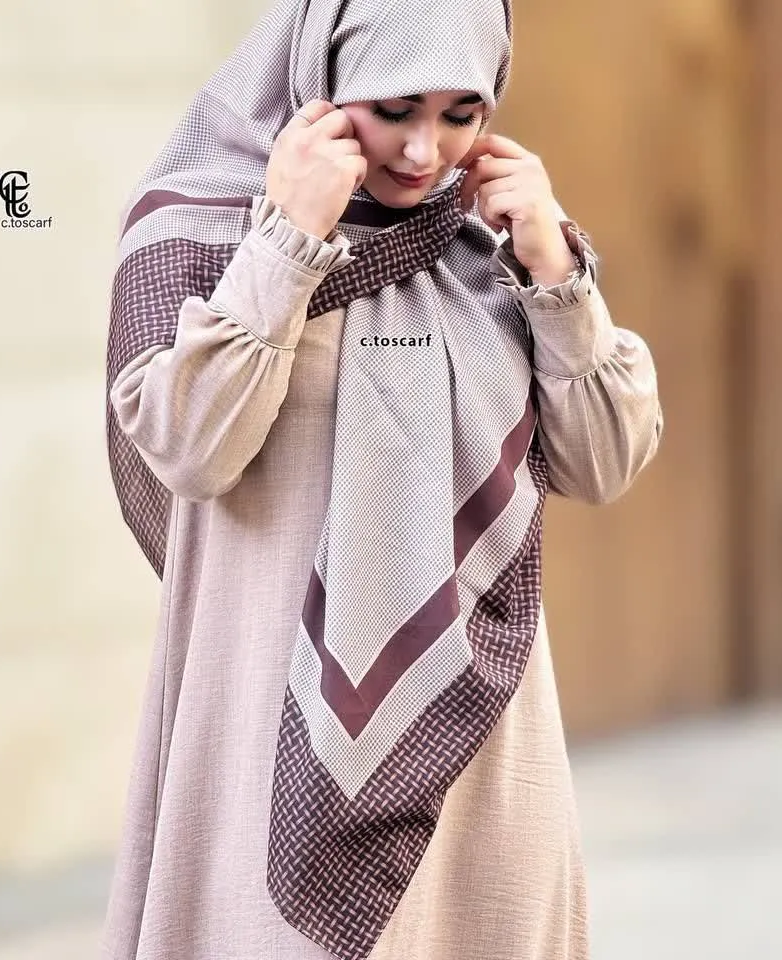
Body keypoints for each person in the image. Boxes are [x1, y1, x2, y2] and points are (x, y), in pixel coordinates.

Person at [101, 0, 663, 958]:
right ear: (321, 79)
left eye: (461, 113)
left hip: (476, 745)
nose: (424, 151)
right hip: (261, 726)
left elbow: (604, 460)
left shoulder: (490, 251)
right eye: (394, 108)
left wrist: (558, 273)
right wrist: (287, 240)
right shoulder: (204, 228)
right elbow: (191, 448)